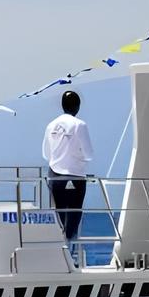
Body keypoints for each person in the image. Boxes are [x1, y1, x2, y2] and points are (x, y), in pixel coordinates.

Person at [42, 91, 94, 244]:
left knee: (59, 215)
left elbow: (46, 154)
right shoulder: (79, 125)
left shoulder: (50, 125)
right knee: (73, 215)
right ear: (77, 107)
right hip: (75, 176)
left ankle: (60, 249)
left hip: (55, 176)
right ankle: (70, 250)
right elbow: (89, 154)